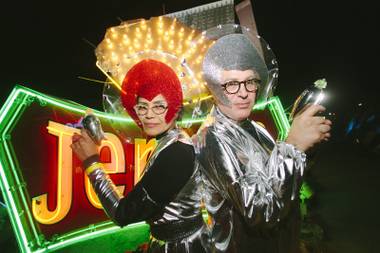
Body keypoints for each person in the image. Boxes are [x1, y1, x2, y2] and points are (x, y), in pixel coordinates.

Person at [196, 31, 332, 253]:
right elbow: (260, 211)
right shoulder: (211, 139)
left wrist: (307, 149)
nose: (244, 93)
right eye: (231, 84)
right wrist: (293, 146)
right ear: (214, 89)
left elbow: (278, 182)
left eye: (250, 81)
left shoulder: (254, 128)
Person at [71, 59, 209, 253]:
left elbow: (122, 214)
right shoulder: (168, 141)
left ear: (175, 108)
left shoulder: (176, 154)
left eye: (159, 106)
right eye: (142, 107)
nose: (149, 115)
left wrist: (91, 162)